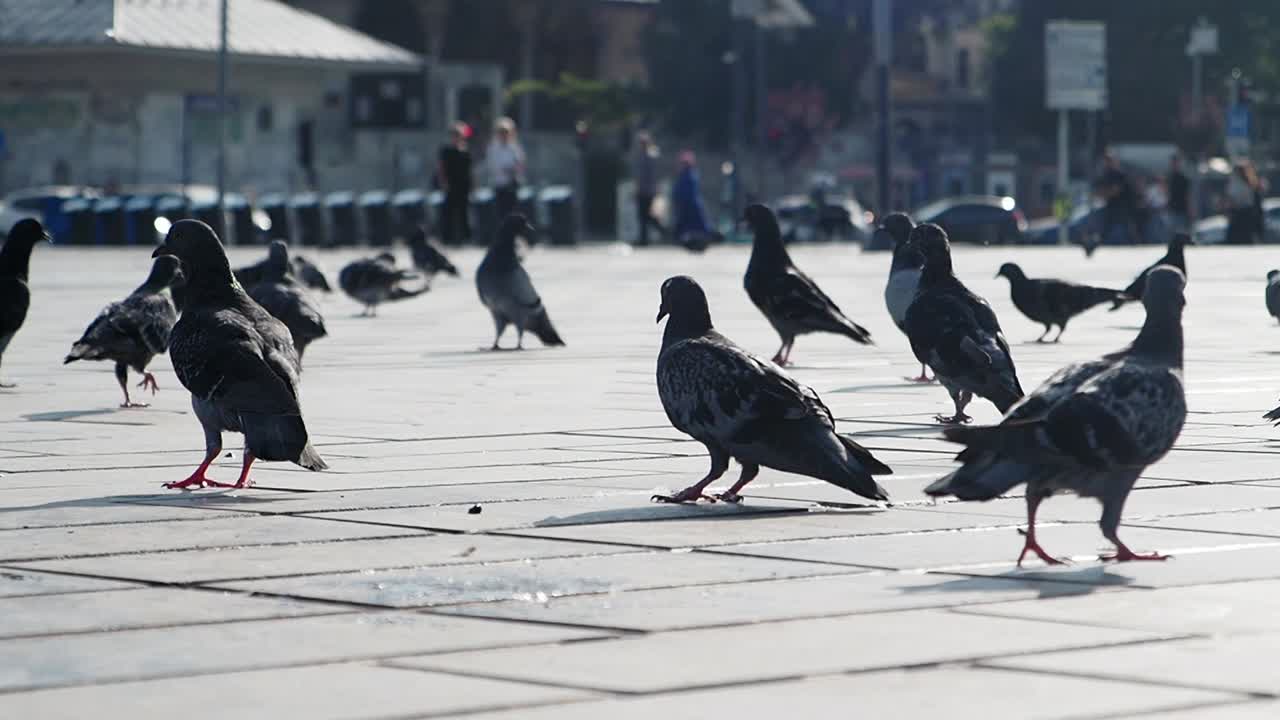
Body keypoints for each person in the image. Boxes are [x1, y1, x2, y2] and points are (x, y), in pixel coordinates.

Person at [671, 151, 719, 251]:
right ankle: (691, 242)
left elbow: (688, 192)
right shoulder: (685, 174)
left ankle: (706, 240)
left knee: (697, 225)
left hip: (690, 204)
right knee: (688, 225)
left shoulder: (690, 175)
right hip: (687, 204)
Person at [436, 122, 473, 245]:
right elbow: (441, 167)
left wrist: (473, 185)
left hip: (463, 185)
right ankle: (447, 238)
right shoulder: (446, 151)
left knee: (463, 212)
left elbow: (469, 170)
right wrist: (443, 182)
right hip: (451, 184)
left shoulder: (466, 151)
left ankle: (465, 238)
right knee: (448, 212)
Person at [1094, 152, 1140, 245]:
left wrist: (1105, 194)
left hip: (1123, 205)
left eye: (1109, 161)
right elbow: (1100, 189)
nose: (1107, 163)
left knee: (1128, 225)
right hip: (1112, 205)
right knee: (1107, 225)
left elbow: (1116, 190)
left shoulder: (1119, 174)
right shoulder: (1106, 174)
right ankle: (1100, 242)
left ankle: (1136, 242)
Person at [486, 117, 526, 219]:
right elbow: (495, 166)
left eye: (506, 132)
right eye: (501, 132)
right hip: (500, 185)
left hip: (512, 185)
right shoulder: (493, 149)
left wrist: (514, 170)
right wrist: (507, 169)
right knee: (501, 215)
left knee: (514, 214)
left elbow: (520, 165)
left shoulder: (515, 148)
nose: (504, 135)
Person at [631, 131, 663, 246]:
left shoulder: (649, 156)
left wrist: (639, 189)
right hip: (647, 190)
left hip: (647, 191)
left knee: (646, 216)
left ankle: (661, 232)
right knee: (644, 216)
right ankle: (644, 238)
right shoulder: (647, 156)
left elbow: (646, 176)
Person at [1226, 159, 1263, 245]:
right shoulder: (1248, 182)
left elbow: (1232, 198)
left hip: (1243, 213)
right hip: (1245, 213)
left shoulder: (1242, 183)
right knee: (1243, 239)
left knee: (1240, 239)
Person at [1166, 154, 1190, 233]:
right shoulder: (1169, 177)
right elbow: (1167, 193)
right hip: (1172, 208)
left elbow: (1187, 195)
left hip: (1181, 209)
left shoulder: (1183, 178)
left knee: (1180, 230)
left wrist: (1190, 209)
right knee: (1172, 231)